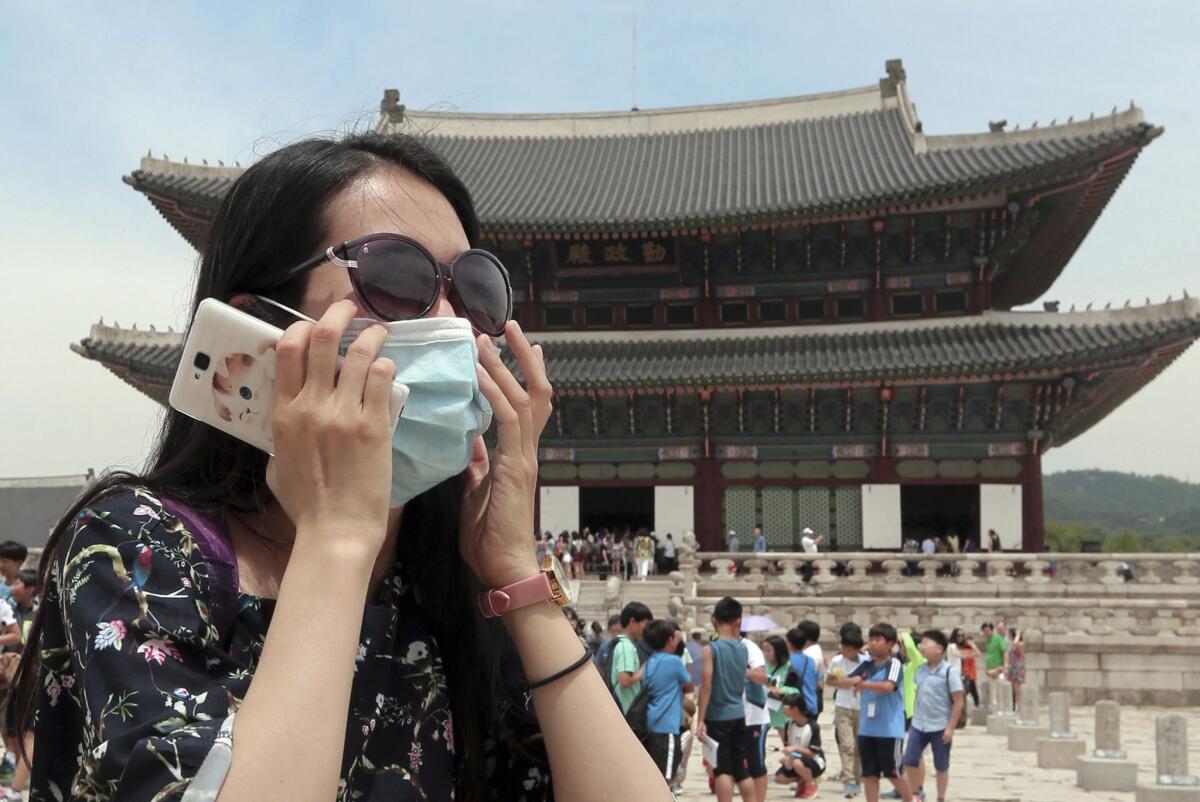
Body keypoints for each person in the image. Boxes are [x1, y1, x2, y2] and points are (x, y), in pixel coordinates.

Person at [15, 132, 674, 802]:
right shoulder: (136, 544)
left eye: (472, 291)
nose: (451, 321)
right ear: (259, 335)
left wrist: (518, 578)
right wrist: (335, 538)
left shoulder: (454, 584)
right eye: (396, 278)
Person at [697, 596, 756, 802]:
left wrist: (700, 719)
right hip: (738, 713)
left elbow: (706, 686)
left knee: (722, 768)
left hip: (717, 715)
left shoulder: (710, 649)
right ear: (738, 621)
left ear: (714, 619)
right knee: (740, 767)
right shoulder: (743, 648)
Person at [846, 623, 913, 802]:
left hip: (889, 729)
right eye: (871, 639)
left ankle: (910, 799)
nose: (873, 643)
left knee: (893, 773)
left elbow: (888, 686)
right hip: (867, 728)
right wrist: (834, 679)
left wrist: (863, 684)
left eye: (878, 640)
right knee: (869, 774)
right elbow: (849, 680)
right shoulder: (867, 665)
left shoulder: (894, 663)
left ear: (890, 643)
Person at [902, 630, 964, 802]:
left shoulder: (949, 672)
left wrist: (950, 728)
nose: (921, 647)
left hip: (940, 726)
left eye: (925, 643)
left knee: (941, 766)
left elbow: (958, 701)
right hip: (919, 723)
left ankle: (940, 797)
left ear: (938, 648)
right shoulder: (920, 670)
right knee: (910, 760)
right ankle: (916, 794)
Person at [641, 620, 695, 785]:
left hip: (652, 722)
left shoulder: (650, 662)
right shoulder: (674, 662)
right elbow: (689, 685)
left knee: (656, 772)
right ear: (670, 640)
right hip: (667, 725)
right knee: (667, 776)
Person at [827, 622, 866, 798]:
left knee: (858, 746)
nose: (846, 651)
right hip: (842, 706)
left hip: (861, 707)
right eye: (844, 647)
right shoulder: (837, 661)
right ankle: (849, 780)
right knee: (847, 744)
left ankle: (857, 779)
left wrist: (860, 684)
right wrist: (846, 683)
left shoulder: (866, 661)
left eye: (849, 648)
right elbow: (830, 680)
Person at [774, 694, 825, 799]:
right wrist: (787, 757)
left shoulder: (813, 726)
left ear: (795, 709)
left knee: (797, 763)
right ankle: (802, 780)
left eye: (785, 706)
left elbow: (812, 752)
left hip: (814, 761)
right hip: (796, 758)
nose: (783, 709)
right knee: (780, 777)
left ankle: (811, 784)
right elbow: (789, 746)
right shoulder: (789, 724)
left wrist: (795, 749)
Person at [740, 630, 771, 802]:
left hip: (754, 716)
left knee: (755, 764)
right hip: (730, 714)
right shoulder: (717, 647)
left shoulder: (750, 648)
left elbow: (762, 677)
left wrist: (745, 671)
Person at [610, 601, 654, 714]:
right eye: (645, 623)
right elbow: (624, 681)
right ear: (633, 621)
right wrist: (643, 670)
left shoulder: (622, 644)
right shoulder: (626, 647)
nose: (647, 628)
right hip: (626, 711)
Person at [763, 635, 799, 750]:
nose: (766, 654)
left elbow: (796, 690)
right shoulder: (762, 666)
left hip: (782, 712)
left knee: (788, 744)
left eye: (769, 651)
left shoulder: (789, 667)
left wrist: (782, 691)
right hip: (765, 710)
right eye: (764, 650)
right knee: (757, 742)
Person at [785, 627, 820, 715]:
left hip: (795, 707)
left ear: (789, 643)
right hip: (812, 705)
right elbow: (818, 683)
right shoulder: (811, 661)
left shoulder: (787, 661)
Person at [1006, 629, 1026, 709]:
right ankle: (1014, 705)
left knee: (1018, 689)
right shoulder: (1010, 644)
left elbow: (1016, 644)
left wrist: (1018, 634)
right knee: (1013, 688)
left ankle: (1019, 706)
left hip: (1018, 667)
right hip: (1012, 666)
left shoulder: (1021, 643)